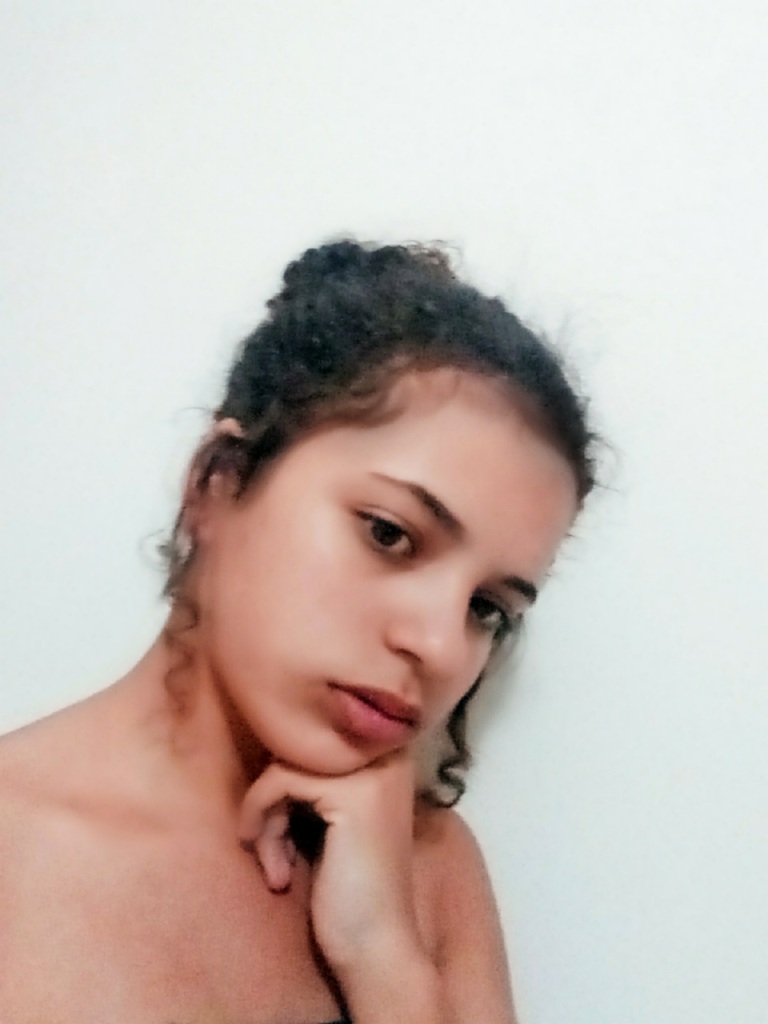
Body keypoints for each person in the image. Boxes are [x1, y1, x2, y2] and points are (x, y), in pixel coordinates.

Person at [0, 239, 596, 1024]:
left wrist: (386, 963)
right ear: (218, 483)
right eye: (389, 534)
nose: (442, 647)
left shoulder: (424, 870)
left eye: (488, 608)